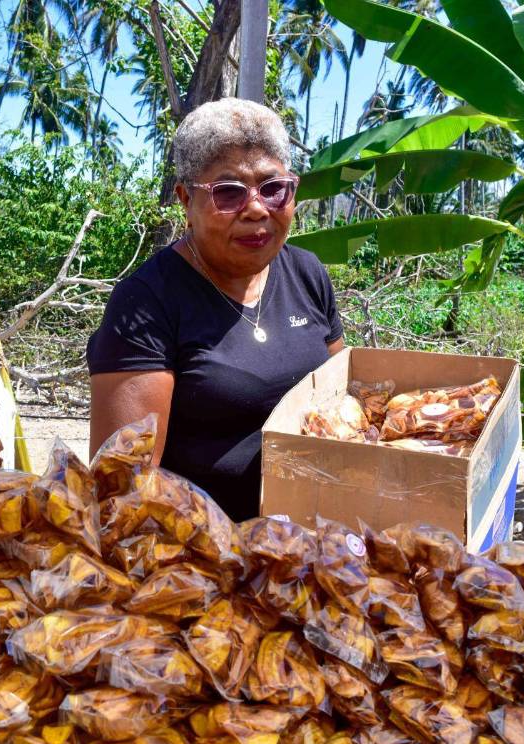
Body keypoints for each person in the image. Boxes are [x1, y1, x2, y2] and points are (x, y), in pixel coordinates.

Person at [86, 98, 345, 521]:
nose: (257, 208)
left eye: (273, 188)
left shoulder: (307, 274)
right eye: (228, 193)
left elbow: (339, 411)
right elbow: (122, 489)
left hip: (312, 546)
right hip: (203, 561)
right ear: (186, 199)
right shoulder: (146, 304)